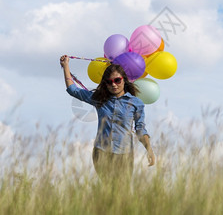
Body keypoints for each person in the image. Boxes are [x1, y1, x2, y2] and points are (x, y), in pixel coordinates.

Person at [60, 55, 155, 183]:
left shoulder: (136, 103)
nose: (114, 85)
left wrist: (149, 150)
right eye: (109, 82)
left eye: (117, 80)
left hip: (124, 154)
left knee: (122, 192)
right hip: (102, 152)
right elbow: (72, 90)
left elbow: (140, 129)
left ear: (124, 80)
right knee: (108, 188)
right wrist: (65, 66)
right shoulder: (99, 99)